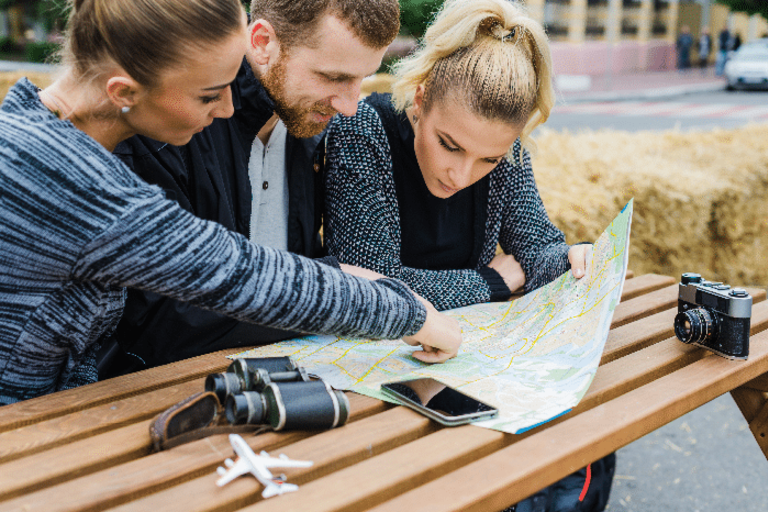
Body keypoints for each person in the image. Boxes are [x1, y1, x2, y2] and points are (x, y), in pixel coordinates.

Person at [0, 0, 461, 406]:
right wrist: (409, 313)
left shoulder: (25, 126)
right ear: (123, 92)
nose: (225, 109)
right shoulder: (69, 181)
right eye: (208, 94)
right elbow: (241, 275)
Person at [323, 0, 612, 509]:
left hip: (463, 365)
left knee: (585, 446)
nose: (462, 174)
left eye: (489, 159)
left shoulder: (506, 152)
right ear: (420, 97)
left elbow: (536, 248)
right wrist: (491, 283)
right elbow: (371, 283)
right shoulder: (362, 130)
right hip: (373, 372)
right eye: (449, 144)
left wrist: (573, 261)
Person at [101, 0, 403, 377]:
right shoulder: (171, 118)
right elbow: (158, 319)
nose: (349, 106)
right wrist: (338, 287)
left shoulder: (305, 123)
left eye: (362, 80)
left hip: (279, 378)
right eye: (332, 77)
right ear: (261, 42)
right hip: (159, 388)